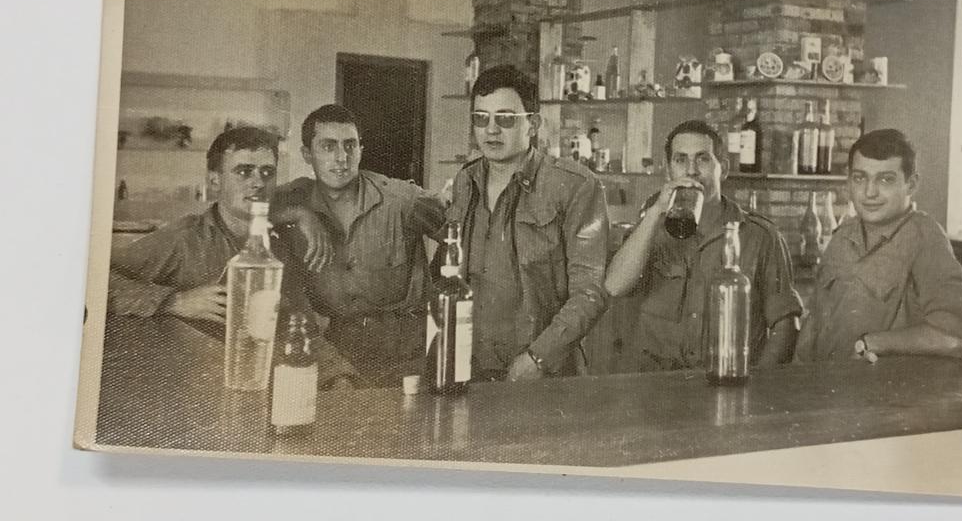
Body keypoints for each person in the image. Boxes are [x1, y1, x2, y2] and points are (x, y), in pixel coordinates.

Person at [107, 126, 358, 388]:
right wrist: (173, 301)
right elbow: (95, 281)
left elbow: (300, 327)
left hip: (262, 386)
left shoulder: (279, 246)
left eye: (267, 172)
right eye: (243, 171)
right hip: (191, 390)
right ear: (215, 182)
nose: (258, 182)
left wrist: (339, 378)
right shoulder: (184, 239)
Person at [442, 64, 610, 381]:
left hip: (544, 373)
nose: (491, 130)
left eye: (505, 119)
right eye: (481, 118)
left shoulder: (574, 185)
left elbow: (590, 293)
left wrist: (537, 359)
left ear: (533, 124)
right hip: (470, 366)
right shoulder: (466, 181)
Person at [605, 119, 803, 372]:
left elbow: (786, 324)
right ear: (668, 171)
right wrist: (656, 211)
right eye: (680, 160)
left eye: (703, 159)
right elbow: (614, 286)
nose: (691, 171)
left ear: (724, 169)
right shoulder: (650, 230)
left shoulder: (760, 237)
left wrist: (758, 386)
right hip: (654, 390)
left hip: (726, 381)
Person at [270, 104, 446, 388]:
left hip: (405, 362)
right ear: (307, 154)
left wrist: (439, 284)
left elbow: (464, 234)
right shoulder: (294, 198)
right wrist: (300, 215)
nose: (342, 158)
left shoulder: (401, 201)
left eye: (350, 146)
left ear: (361, 150)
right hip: (332, 361)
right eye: (328, 147)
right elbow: (238, 211)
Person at [793, 128, 962, 362]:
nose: (869, 192)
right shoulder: (843, 235)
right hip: (825, 389)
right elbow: (814, 324)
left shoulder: (925, 238)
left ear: (911, 185)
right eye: (860, 178)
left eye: (885, 180)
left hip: (887, 394)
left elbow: (954, 340)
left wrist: (873, 343)